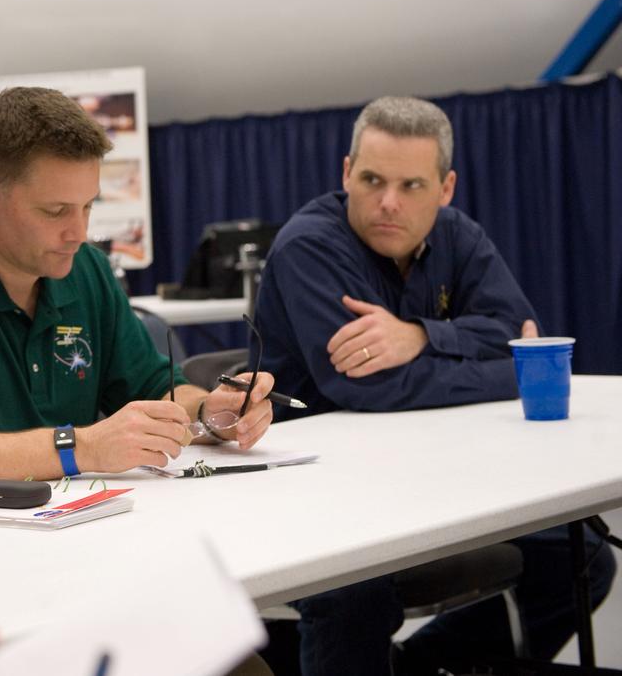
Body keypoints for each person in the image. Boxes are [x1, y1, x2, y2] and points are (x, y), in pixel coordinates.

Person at [252, 96, 616, 675]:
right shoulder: (309, 246)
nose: (388, 202)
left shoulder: (458, 235)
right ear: (347, 173)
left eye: (412, 186)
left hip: (434, 475)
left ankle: (422, 667)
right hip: (319, 492)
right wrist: (502, 369)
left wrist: (420, 335)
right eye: (371, 180)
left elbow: (520, 333)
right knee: (353, 594)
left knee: (585, 561)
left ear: (445, 188)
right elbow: (368, 388)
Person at [0, 86, 275, 480]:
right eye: (55, 211)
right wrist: (79, 448)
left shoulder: (87, 271)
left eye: (87, 206)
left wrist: (207, 411)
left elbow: (152, 389)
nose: (78, 233)